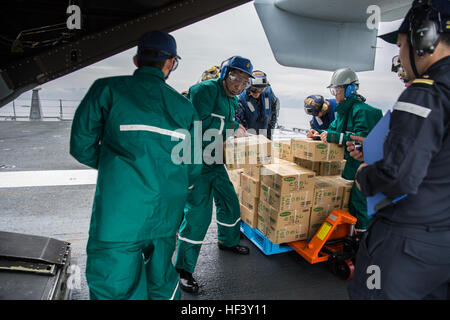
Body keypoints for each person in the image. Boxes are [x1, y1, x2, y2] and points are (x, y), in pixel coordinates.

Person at [70, 31, 200, 300]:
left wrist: (117, 167)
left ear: (136, 59)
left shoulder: (106, 89)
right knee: (162, 281)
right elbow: (195, 165)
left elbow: (81, 146)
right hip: (167, 212)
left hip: (120, 213)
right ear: (171, 63)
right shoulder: (185, 107)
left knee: (115, 284)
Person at [348, 0, 450, 300]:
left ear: (424, 38)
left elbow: (398, 178)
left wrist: (366, 175)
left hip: (406, 246)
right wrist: (380, 147)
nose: (400, 57)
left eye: (401, 45)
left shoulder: (424, 93)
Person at [175, 56, 252, 294]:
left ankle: (227, 241)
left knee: (229, 200)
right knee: (198, 216)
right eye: (235, 77)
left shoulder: (232, 100)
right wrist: (232, 128)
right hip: (195, 161)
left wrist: (234, 133)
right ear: (224, 74)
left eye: (244, 82)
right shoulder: (204, 90)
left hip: (215, 160)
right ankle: (183, 270)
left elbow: (224, 127)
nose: (239, 85)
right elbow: (200, 123)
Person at [306, 67, 383, 233]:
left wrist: (333, 137)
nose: (334, 94)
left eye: (338, 90)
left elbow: (362, 142)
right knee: (352, 203)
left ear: (350, 89)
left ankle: (363, 239)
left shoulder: (364, 112)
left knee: (361, 203)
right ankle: (353, 235)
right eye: (333, 90)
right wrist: (317, 134)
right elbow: (333, 130)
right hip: (350, 167)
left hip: (363, 167)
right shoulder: (341, 113)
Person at [236, 70, 280, 140]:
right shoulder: (241, 98)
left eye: (260, 90)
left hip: (265, 136)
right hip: (248, 137)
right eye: (254, 89)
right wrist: (248, 138)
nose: (256, 93)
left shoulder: (269, 95)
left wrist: (269, 135)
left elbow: (274, 113)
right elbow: (239, 120)